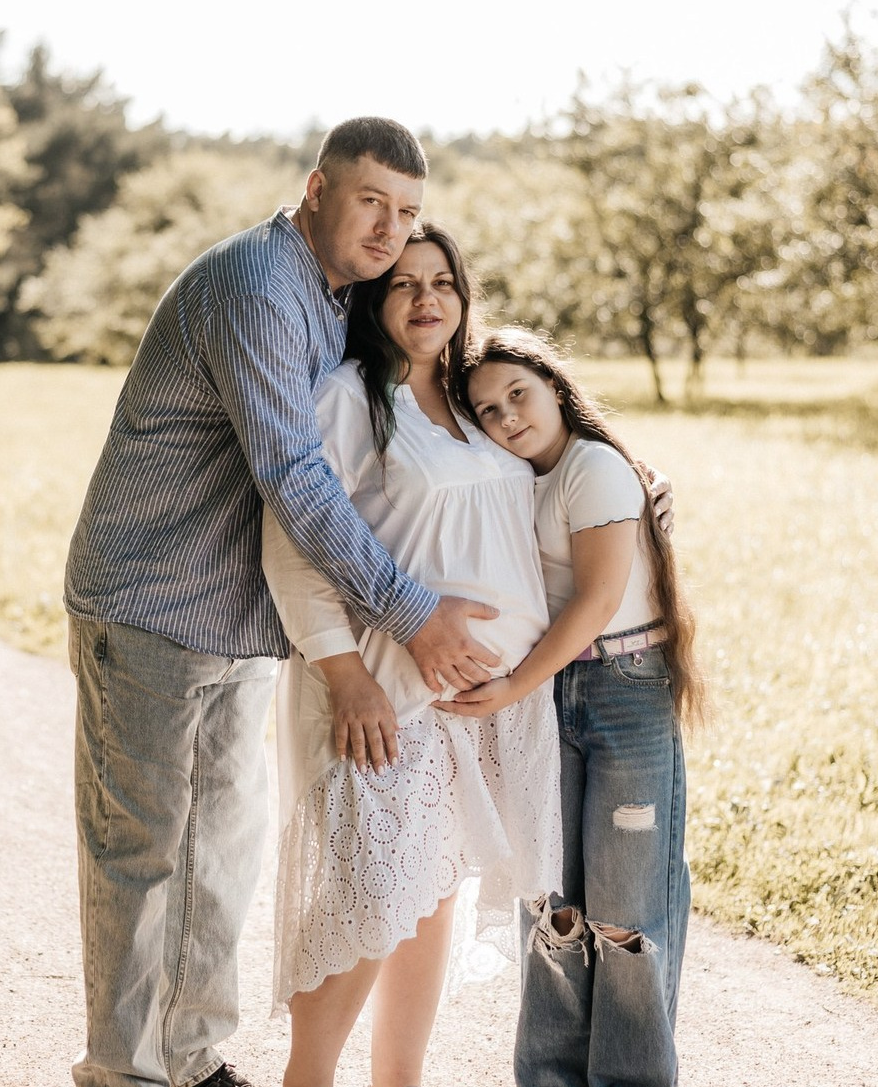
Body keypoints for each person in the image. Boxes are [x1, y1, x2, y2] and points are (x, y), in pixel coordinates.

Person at [62, 118, 504, 1087]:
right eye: (370, 201)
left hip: (232, 621)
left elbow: (432, 391)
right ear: (315, 189)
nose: (390, 229)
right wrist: (408, 610)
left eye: (408, 211)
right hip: (145, 603)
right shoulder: (258, 285)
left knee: (218, 851)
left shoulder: (332, 293)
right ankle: (121, 1073)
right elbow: (299, 481)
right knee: (141, 851)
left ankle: (188, 1059)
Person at [261, 226, 564, 1087]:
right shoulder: (349, 398)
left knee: (432, 901)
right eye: (403, 285)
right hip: (379, 691)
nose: (427, 299)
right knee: (372, 900)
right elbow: (292, 542)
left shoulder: (479, 406)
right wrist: (344, 674)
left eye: (442, 282)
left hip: (480, 705)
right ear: (371, 301)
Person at [448, 326, 708, 1087]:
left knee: (626, 917)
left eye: (518, 394)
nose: (507, 418)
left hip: (623, 690)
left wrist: (511, 686)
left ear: (556, 387)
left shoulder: (592, 469)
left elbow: (595, 601)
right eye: (488, 410)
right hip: (550, 697)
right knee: (552, 909)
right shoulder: (509, 481)